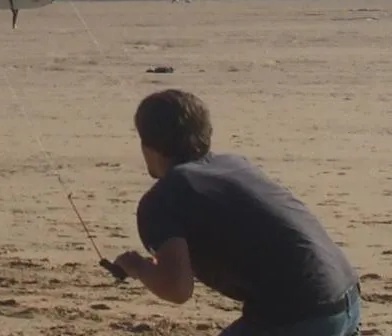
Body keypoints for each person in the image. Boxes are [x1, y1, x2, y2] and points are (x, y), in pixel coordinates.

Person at [111, 89, 361, 335]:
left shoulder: (163, 198)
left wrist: (138, 267)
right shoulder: (235, 164)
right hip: (346, 296)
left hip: (301, 315)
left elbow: (177, 289)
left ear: (148, 146)